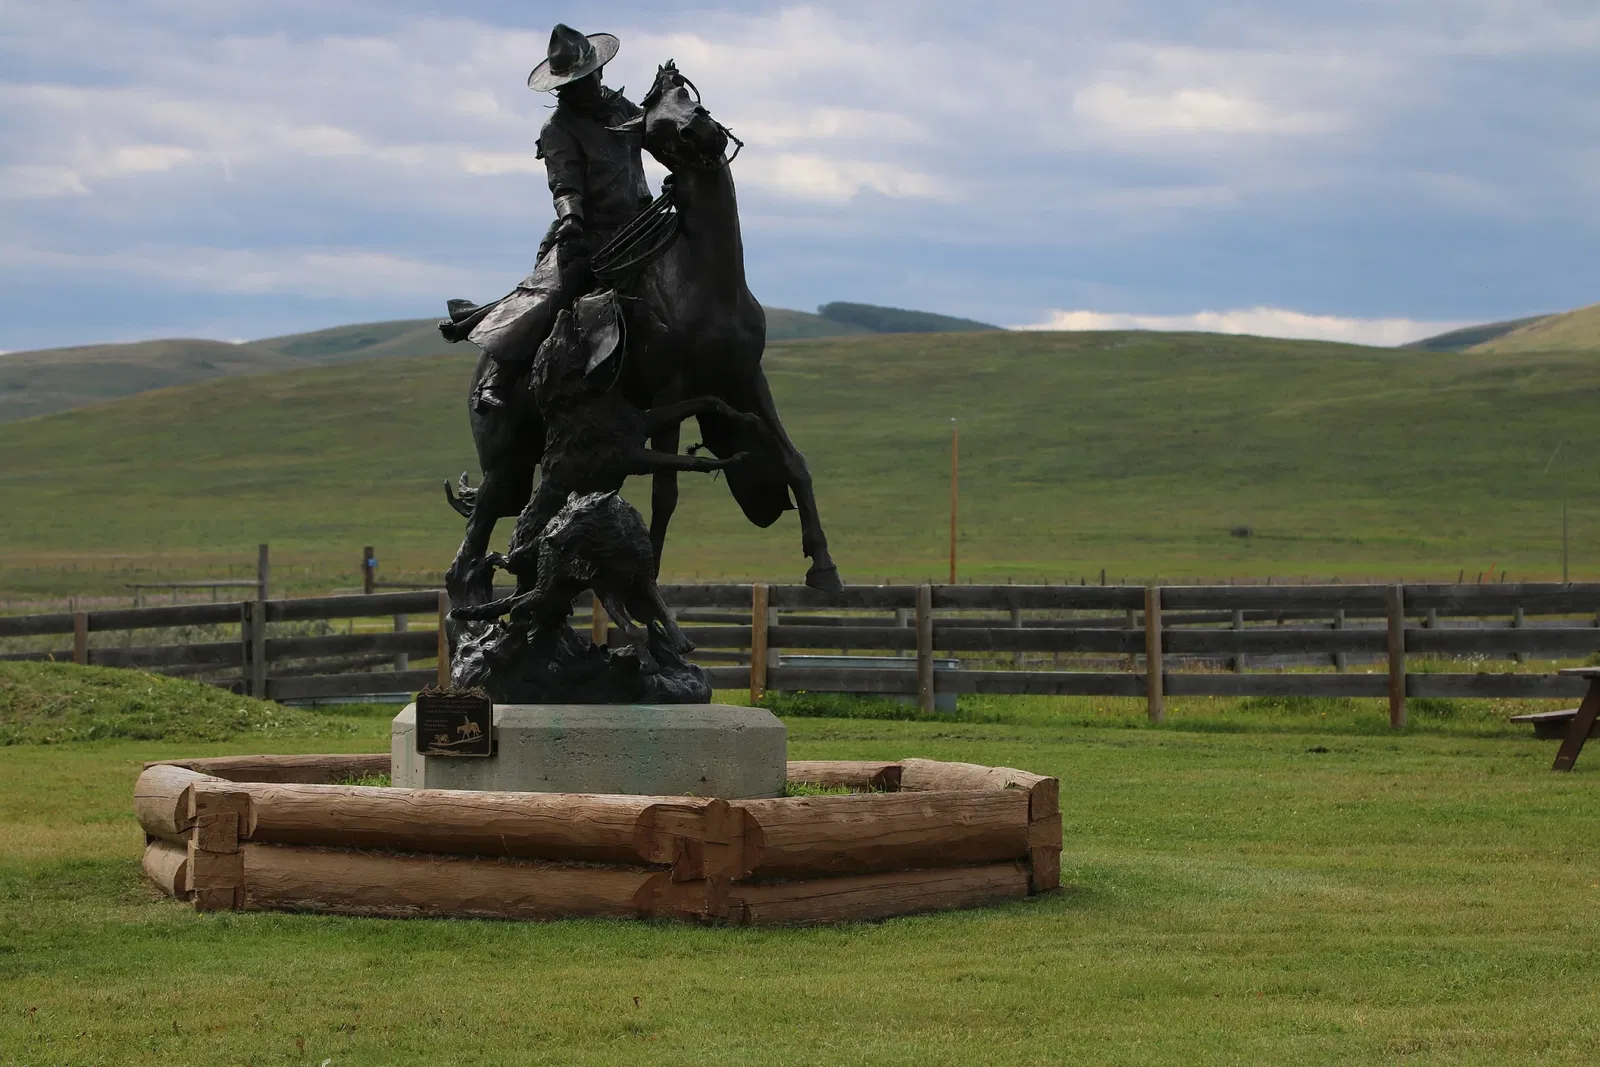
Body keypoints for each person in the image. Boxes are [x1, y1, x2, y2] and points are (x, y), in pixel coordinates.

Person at [441, 24, 653, 412]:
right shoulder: (558, 128)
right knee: (553, 292)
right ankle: (498, 375)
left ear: (598, 73)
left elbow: (655, 136)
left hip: (643, 222)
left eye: (585, 80)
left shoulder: (621, 108)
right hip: (591, 229)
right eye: (570, 85)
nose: (581, 89)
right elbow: (564, 184)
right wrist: (572, 219)